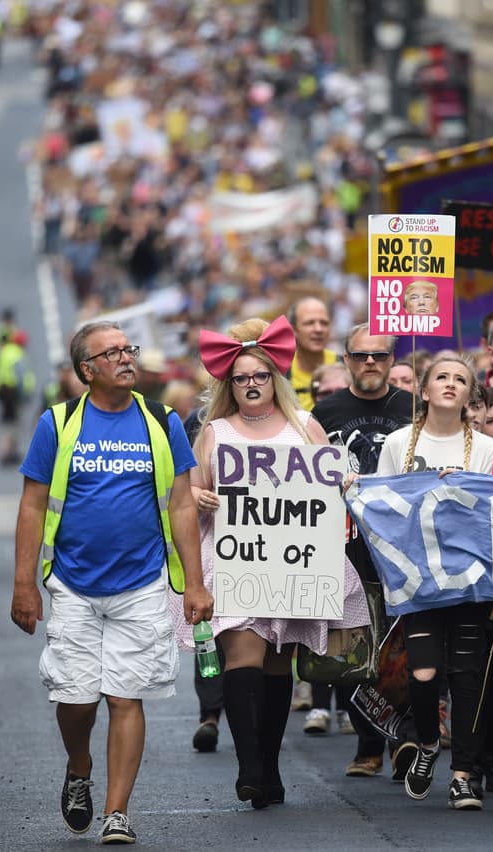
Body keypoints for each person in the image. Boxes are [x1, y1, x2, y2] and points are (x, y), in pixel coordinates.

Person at [11, 320, 212, 845]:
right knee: (76, 700)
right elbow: (32, 505)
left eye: (130, 349)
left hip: (143, 584)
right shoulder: (56, 425)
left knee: (127, 697)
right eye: (113, 352)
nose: (127, 358)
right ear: (87, 370)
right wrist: (24, 585)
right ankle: (79, 768)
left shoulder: (163, 422)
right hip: (73, 586)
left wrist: (195, 583)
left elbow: (182, 503)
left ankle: (116, 812)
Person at [183, 315, 370, 809]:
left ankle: (269, 766)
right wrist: (199, 493)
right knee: (242, 656)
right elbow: (188, 490)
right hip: (233, 559)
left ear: (274, 380)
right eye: (241, 377)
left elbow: (330, 482)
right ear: (230, 383)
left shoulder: (304, 426)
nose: (250, 384)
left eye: (259, 376)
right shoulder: (215, 431)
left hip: (290, 561)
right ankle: (249, 768)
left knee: (275, 663)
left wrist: (343, 482)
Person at [374, 353, 493, 811]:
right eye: (441, 377)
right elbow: (380, 505)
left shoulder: (484, 448)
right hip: (418, 580)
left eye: (460, 379)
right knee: (423, 673)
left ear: (470, 395)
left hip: (468, 580)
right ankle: (427, 742)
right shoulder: (398, 442)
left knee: (467, 676)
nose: (450, 384)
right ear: (423, 390)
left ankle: (463, 775)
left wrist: (461, 489)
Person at [312, 324, 415, 777]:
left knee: (403, 648)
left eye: (379, 355)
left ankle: (403, 740)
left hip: (403, 544)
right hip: (345, 544)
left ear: (393, 360)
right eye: (359, 355)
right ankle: (367, 745)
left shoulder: (415, 408)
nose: (370, 362)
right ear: (346, 360)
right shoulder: (325, 412)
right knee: (355, 646)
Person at [288, 297, 337, 410]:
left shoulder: (346, 366)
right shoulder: (282, 373)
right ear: (293, 330)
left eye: (324, 323)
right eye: (309, 323)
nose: (318, 329)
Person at [0, 328, 36, 465]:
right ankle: (8, 450)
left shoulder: (5, 351)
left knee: (8, 421)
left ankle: (9, 450)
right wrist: (24, 395)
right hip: (13, 393)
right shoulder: (17, 354)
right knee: (13, 423)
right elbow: (20, 376)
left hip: (3, 390)